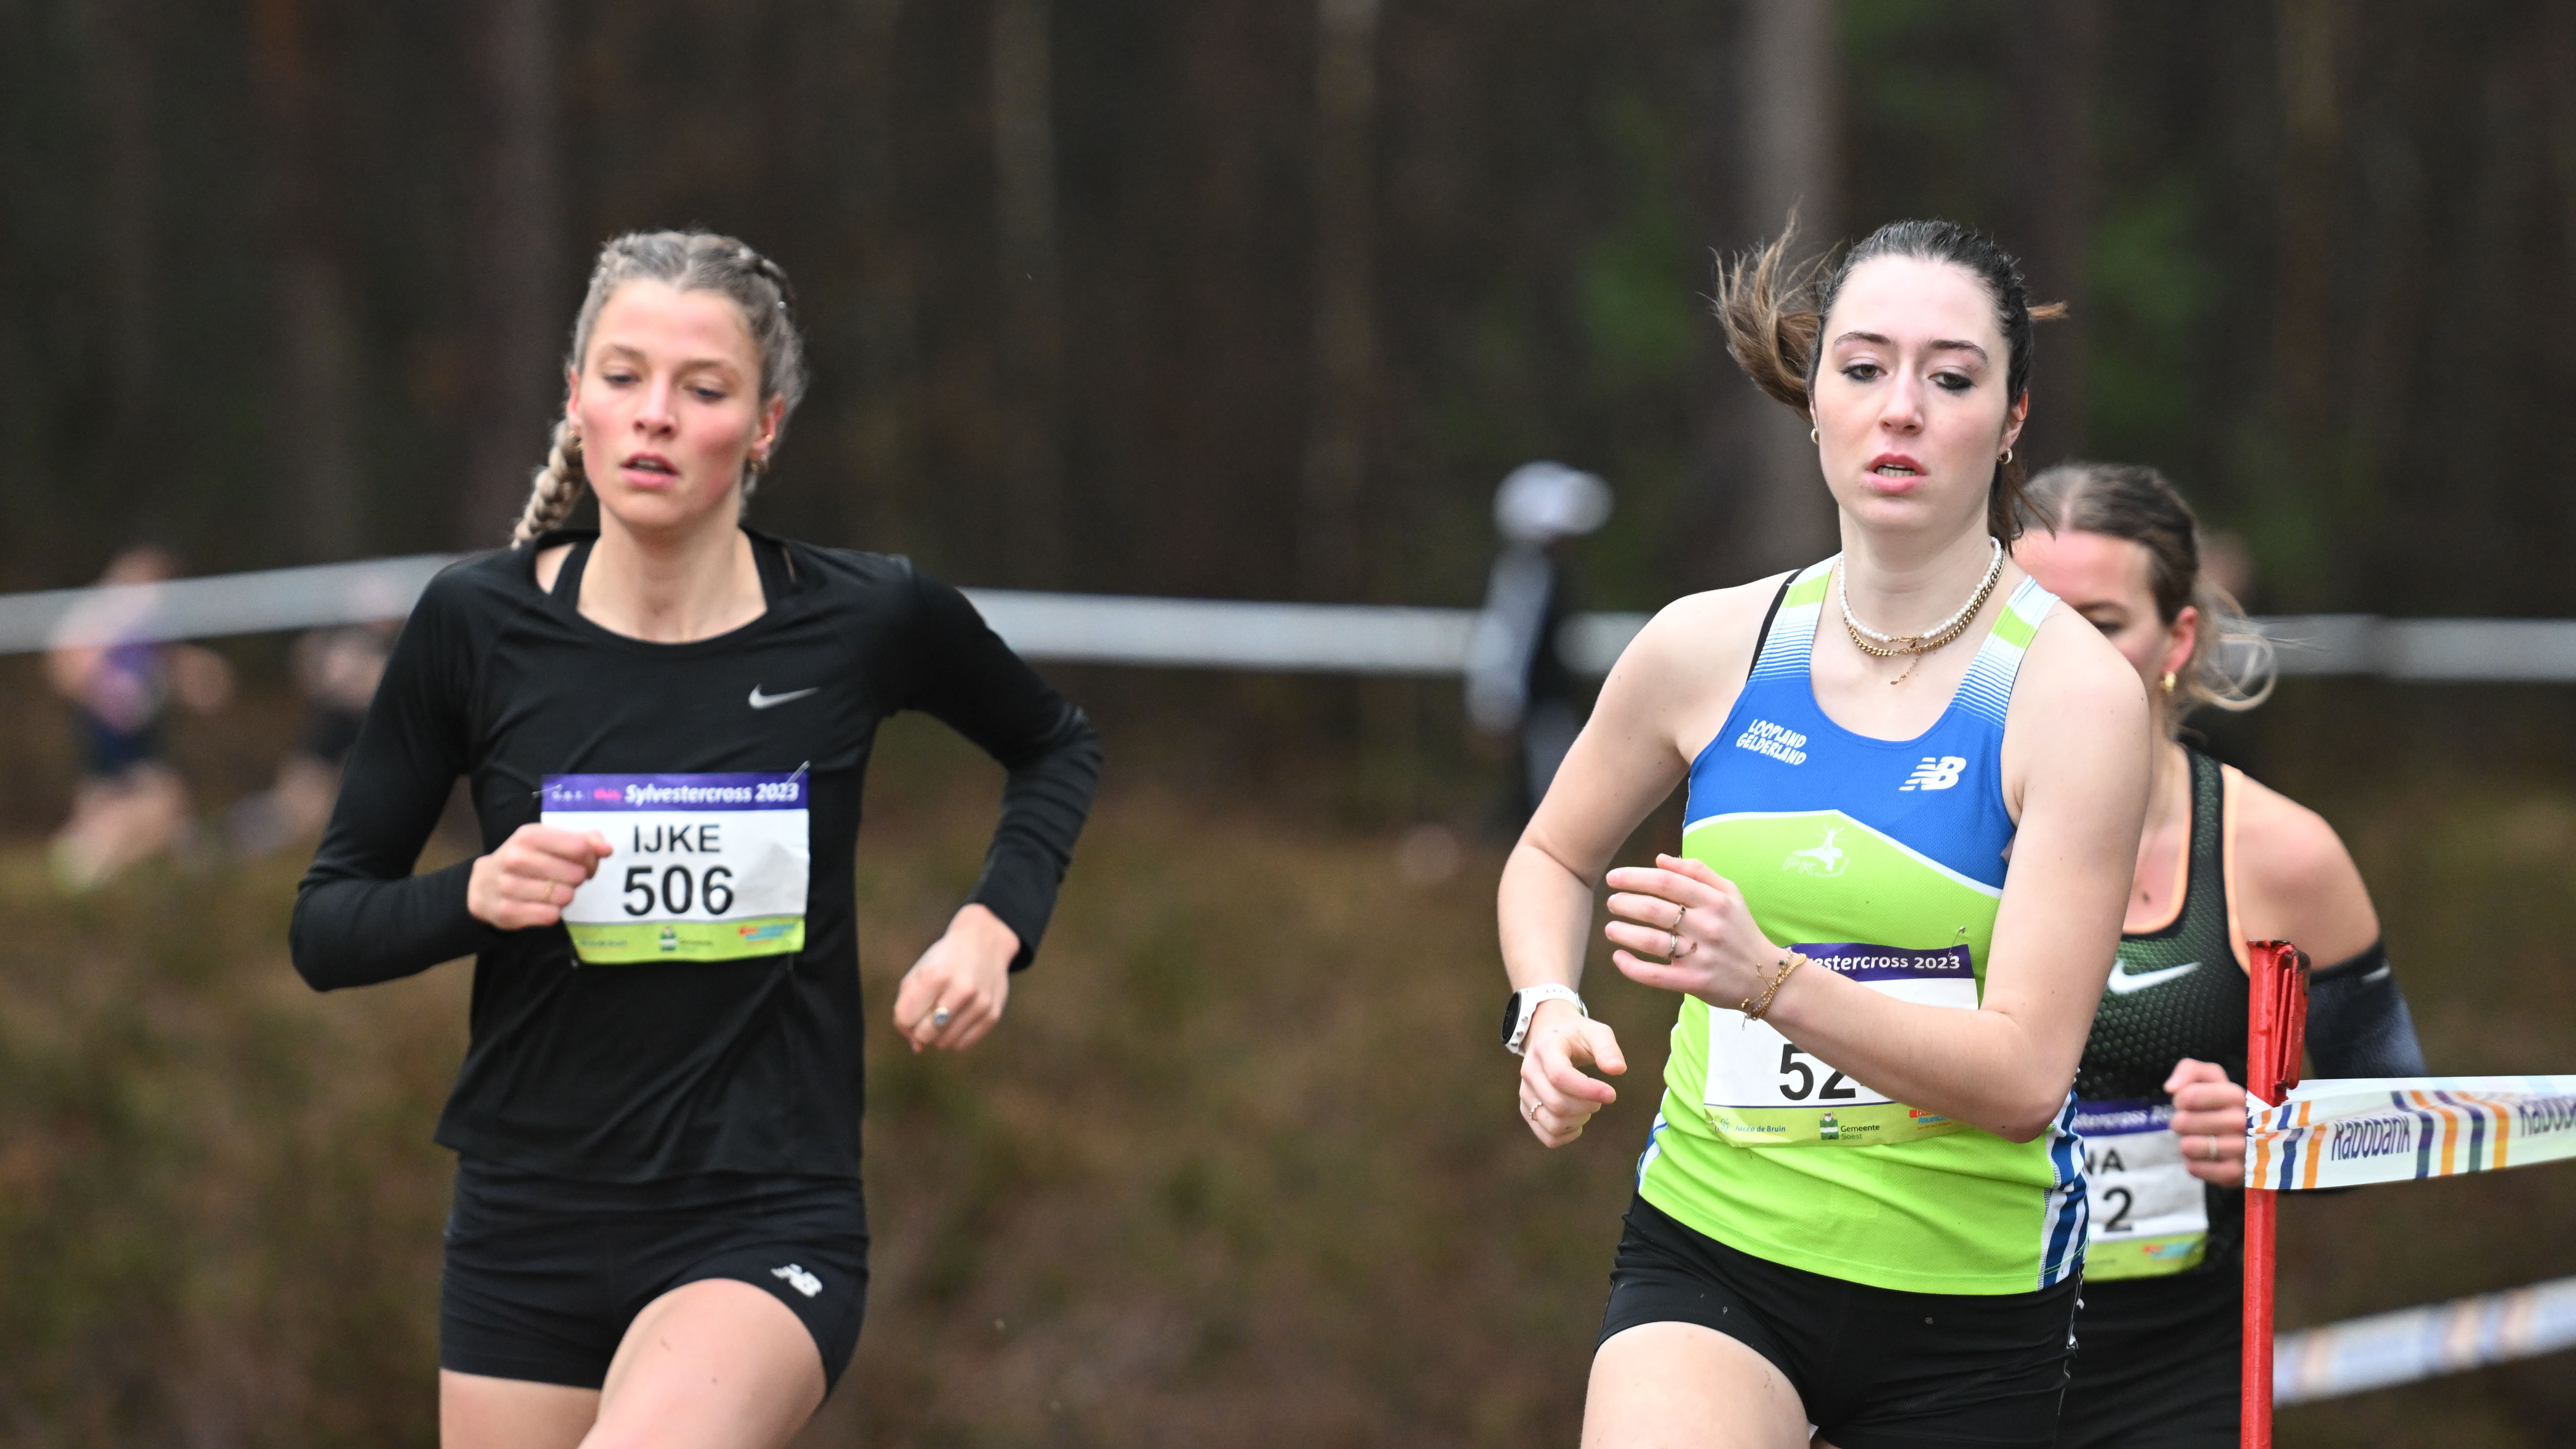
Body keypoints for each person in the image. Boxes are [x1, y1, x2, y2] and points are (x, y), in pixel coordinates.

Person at [289, 231, 1101, 1449]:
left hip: (759, 1219)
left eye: (703, 388)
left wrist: (992, 928)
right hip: (525, 1225)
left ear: (764, 426)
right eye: (623, 377)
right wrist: (475, 894)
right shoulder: (474, 623)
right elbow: (325, 926)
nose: (655, 416)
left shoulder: (865, 617)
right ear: (577, 399)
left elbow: (1054, 745)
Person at [1498, 217, 2150, 1449]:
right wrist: (1544, 1007)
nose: (1899, 408)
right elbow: (1551, 854)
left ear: (2011, 418)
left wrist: (1770, 981)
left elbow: (2023, 1080)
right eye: (1861, 368)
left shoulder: (2071, 698)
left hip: (1965, 1307)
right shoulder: (1704, 646)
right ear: (1813, 403)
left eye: (1950, 377)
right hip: (1714, 1249)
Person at [2013, 462, 2426, 1449]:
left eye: (2100, 623)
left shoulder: (2279, 854)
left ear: (2176, 638)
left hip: (2171, 1380)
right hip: (1928, 1361)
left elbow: (2396, 1113)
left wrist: (2271, 1135)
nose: (2060, 657)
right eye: (2028, 620)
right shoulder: (1909, 830)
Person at [46, 543, 235, 889]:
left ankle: (94, 869)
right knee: (159, 805)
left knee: (148, 811)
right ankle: (85, 859)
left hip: (134, 731)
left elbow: (170, 663)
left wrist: (199, 677)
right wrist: (107, 693)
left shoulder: (144, 614)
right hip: (110, 732)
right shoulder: (107, 610)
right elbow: (66, 663)